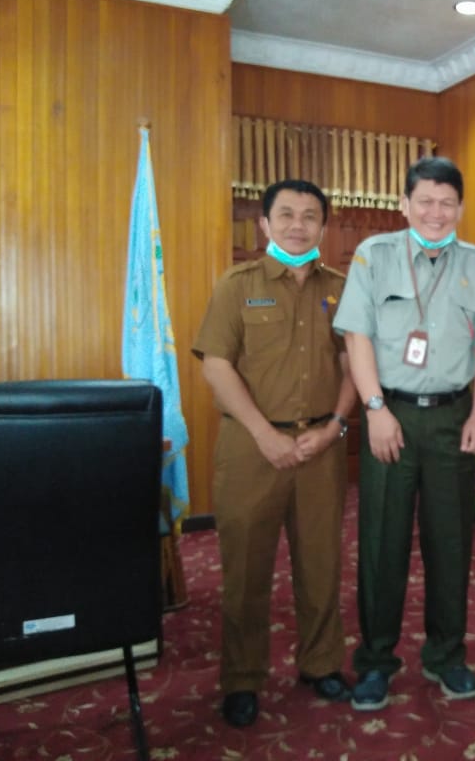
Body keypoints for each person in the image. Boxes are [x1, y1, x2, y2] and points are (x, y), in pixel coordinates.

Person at [192, 179, 356, 728]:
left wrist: (335, 426)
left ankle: (321, 663)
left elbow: (355, 362)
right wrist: (265, 433)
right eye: (285, 214)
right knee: (244, 569)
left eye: (310, 216)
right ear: (264, 224)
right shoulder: (237, 285)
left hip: (320, 447)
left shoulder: (340, 286)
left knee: (320, 563)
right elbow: (216, 364)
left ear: (322, 227)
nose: (297, 224)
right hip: (252, 446)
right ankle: (242, 678)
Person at [332, 156, 475, 712]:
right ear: (404, 205)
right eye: (424, 201)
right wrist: (374, 409)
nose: (436, 212)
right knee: (383, 542)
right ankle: (377, 660)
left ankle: (447, 656)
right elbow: (357, 338)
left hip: (453, 418)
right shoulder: (374, 257)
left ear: (460, 208)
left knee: (452, 543)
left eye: (447, 203)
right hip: (391, 418)